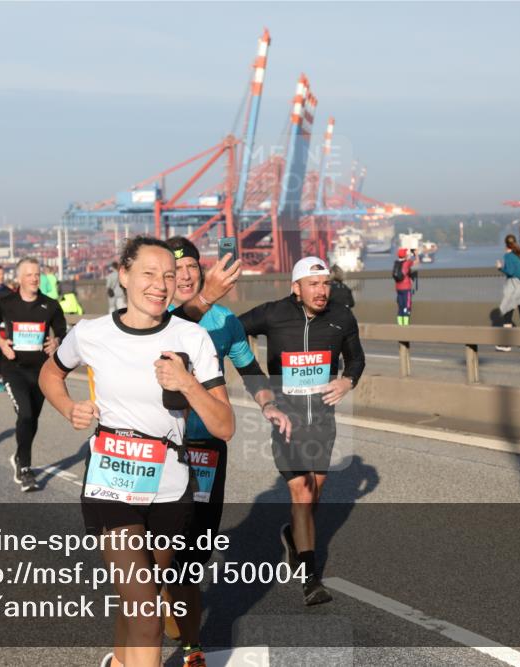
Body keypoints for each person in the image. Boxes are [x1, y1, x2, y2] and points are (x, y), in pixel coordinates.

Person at [39, 236, 234, 667]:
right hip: (112, 482)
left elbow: (225, 425)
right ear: (123, 275)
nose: (160, 285)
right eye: (149, 273)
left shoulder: (193, 337)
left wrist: (187, 384)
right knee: (147, 616)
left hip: (169, 488)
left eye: (169, 276)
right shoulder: (91, 334)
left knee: (139, 600)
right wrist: (69, 407)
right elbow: (50, 374)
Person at [162, 237, 292, 665]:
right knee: (161, 543)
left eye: (192, 267)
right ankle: (176, 623)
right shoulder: (156, 317)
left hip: (207, 448)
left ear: (201, 271)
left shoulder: (225, 321)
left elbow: (250, 369)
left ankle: (184, 616)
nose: (185, 276)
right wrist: (203, 300)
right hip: (163, 445)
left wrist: (268, 404)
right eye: (177, 269)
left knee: (196, 547)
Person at [238, 256, 366, 606]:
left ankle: (295, 538)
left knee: (314, 495)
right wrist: (256, 380)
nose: (321, 291)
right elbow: (232, 333)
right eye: (313, 285)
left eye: (325, 284)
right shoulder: (273, 314)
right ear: (296, 288)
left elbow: (356, 358)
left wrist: (347, 381)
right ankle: (311, 579)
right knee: (303, 493)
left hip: (322, 422)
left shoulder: (341, 317)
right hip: (287, 421)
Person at [0, 258, 67, 492]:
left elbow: (61, 329)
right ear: (20, 278)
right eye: (29, 275)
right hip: (14, 369)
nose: (34, 278)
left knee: (32, 419)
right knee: (25, 413)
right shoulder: (6, 303)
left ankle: (19, 456)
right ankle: (25, 468)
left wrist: (56, 341)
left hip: (41, 372)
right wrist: (2, 342)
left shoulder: (50, 305)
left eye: (37, 274)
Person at [392, 247, 417, 325]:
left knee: (400, 306)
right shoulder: (407, 263)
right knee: (407, 306)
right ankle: (405, 325)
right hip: (406, 288)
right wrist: (415, 253)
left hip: (398, 288)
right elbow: (416, 261)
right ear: (405, 255)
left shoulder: (396, 263)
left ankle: (400, 325)